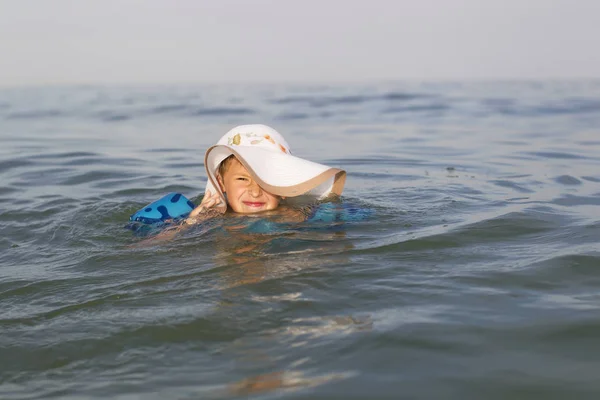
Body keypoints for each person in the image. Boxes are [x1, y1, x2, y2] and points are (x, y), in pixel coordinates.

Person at [184, 123, 346, 225]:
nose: (255, 192)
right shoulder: (210, 218)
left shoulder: (296, 216)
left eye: (266, 181)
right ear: (221, 183)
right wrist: (191, 223)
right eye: (242, 179)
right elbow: (162, 243)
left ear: (284, 186)